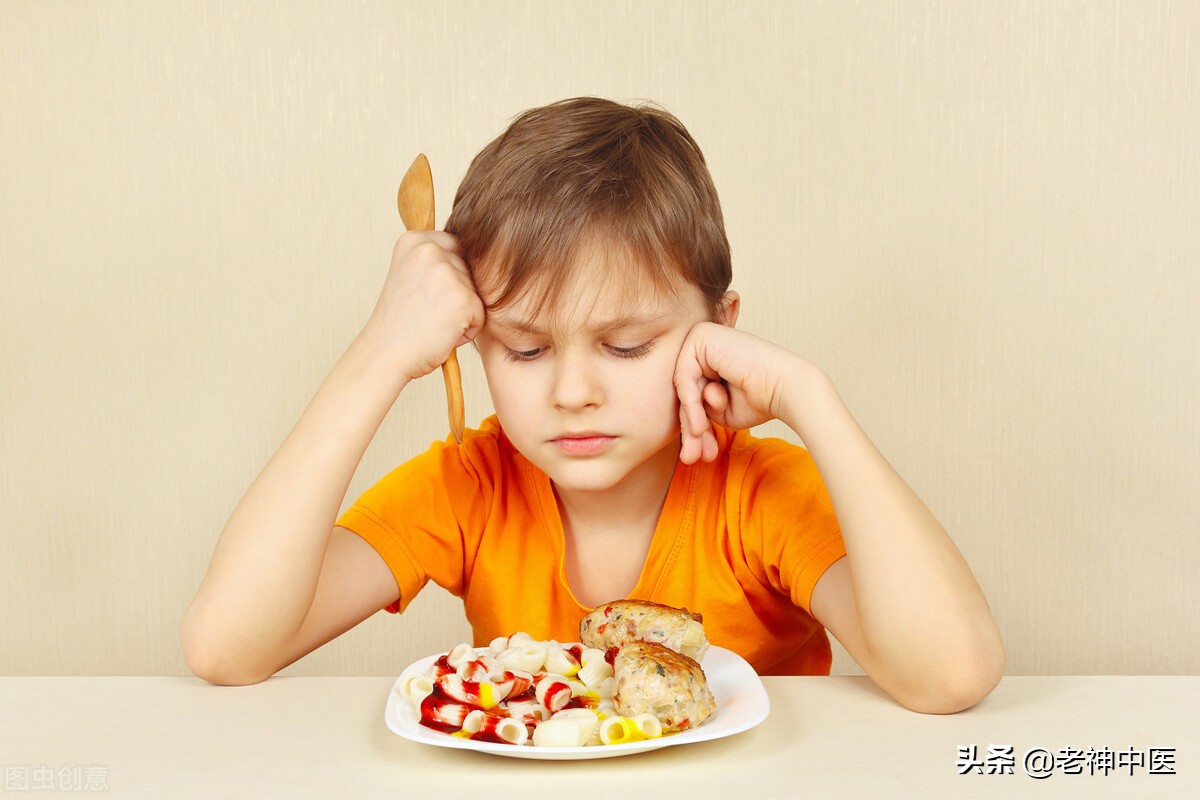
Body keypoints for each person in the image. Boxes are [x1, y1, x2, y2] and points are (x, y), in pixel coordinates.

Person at [181, 97, 1004, 713]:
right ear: (472, 339)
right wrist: (378, 354)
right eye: (527, 349)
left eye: (626, 346)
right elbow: (227, 646)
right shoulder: (474, 484)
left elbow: (952, 674)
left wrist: (809, 399)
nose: (574, 392)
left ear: (719, 333)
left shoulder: (759, 495)